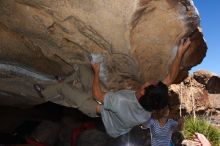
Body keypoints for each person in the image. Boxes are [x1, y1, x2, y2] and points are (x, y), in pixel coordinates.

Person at [34, 38, 191, 137]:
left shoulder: (122, 102)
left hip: (102, 113)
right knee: (82, 69)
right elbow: (171, 77)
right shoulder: (151, 102)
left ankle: (46, 93)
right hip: (115, 109)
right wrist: (180, 53)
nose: (151, 81)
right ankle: (67, 81)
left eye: (149, 85)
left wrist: (96, 71)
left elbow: (97, 95)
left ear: (143, 92)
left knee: (65, 89)